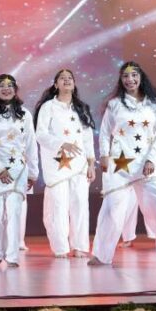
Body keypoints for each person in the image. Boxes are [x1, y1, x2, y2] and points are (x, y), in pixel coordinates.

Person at [89, 62, 156, 266]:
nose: (130, 79)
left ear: (141, 78)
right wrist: (104, 155)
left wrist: (152, 160)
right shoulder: (114, 104)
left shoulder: (153, 105)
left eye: (134, 75)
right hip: (120, 165)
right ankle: (101, 255)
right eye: (125, 76)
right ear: (121, 80)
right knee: (112, 208)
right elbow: (105, 132)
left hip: (147, 165)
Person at [34, 69, 97, 258]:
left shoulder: (81, 108)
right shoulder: (48, 107)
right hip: (57, 166)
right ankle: (61, 248)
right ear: (56, 85)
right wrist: (62, 144)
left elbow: (87, 138)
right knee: (58, 206)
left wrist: (91, 164)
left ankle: (80, 246)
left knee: (80, 206)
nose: (67, 80)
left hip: (80, 165)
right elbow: (41, 134)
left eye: (70, 78)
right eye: (62, 78)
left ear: (74, 83)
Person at [0, 74, 37, 268]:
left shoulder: (24, 114)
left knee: (14, 214)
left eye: (10, 85)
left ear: (15, 89)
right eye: (2, 86)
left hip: (18, 171)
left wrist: (33, 173)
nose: (6, 89)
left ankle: (12, 256)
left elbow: (31, 144)